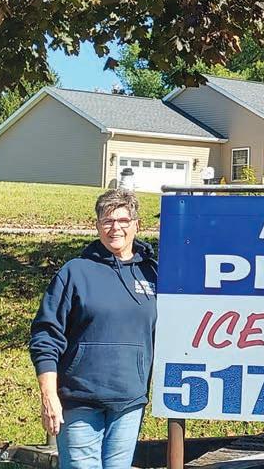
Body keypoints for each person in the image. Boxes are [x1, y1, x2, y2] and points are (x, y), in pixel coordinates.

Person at [29, 190, 157, 469]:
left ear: (137, 224)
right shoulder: (75, 272)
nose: (115, 228)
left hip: (129, 401)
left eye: (123, 220)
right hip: (79, 402)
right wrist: (49, 395)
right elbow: (46, 336)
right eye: (107, 221)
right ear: (97, 226)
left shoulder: (152, 274)